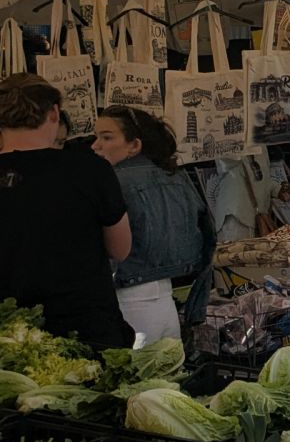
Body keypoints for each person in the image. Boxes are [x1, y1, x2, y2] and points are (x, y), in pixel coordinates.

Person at [0, 75, 134, 347]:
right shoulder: (91, 170)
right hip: (86, 330)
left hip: (10, 336)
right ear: (54, 113)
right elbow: (120, 249)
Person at [92, 106, 214, 344]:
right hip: (166, 303)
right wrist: (196, 309)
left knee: (136, 368)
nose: (95, 146)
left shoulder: (110, 182)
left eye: (106, 137)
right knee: (168, 367)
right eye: (96, 137)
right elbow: (209, 240)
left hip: (127, 302)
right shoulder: (176, 176)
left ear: (134, 145)